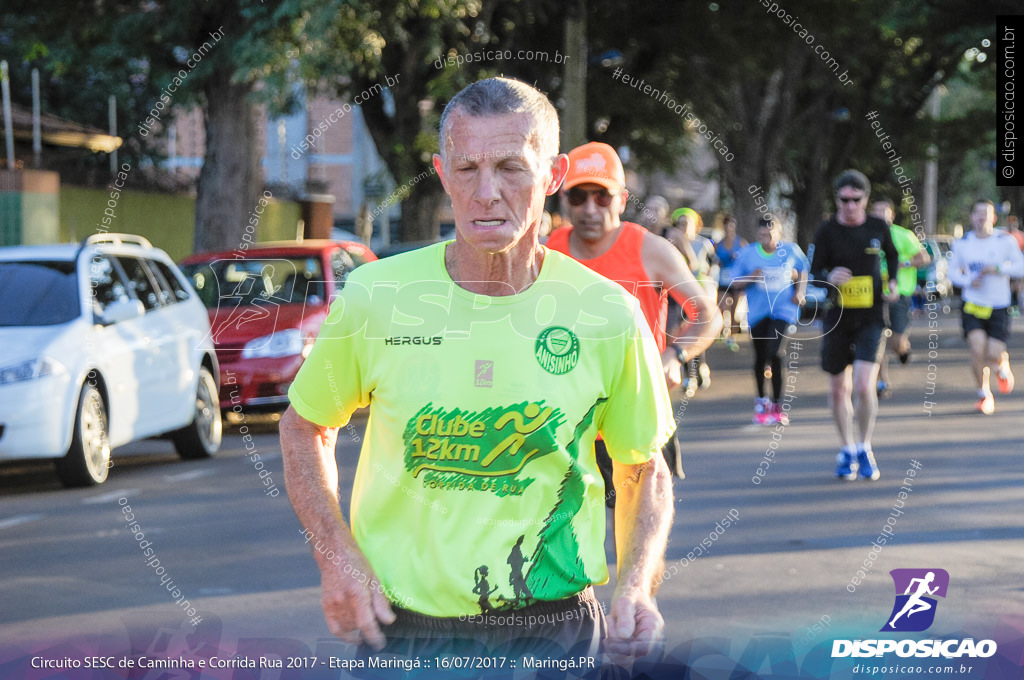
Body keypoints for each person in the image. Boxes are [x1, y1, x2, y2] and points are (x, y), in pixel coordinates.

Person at [279, 77, 677, 663]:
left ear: (553, 175)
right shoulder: (377, 296)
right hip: (404, 635)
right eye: (467, 169)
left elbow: (642, 468)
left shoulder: (606, 313)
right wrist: (335, 557)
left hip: (555, 629)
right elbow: (304, 426)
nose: (486, 192)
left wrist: (638, 586)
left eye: (511, 167)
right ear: (442, 174)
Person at [547, 141, 722, 487]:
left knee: (635, 536)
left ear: (623, 199)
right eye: (579, 196)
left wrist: (675, 355)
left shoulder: (651, 250)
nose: (590, 208)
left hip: (636, 418)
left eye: (602, 196)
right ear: (565, 200)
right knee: (564, 538)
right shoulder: (548, 250)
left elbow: (707, 313)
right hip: (565, 424)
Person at [810, 170, 898, 481]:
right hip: (837, 318)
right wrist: (828, 278)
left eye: (855, 200)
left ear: (865, 199)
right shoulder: (826, 231)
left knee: (863, 384)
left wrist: (895, 285)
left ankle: (865, 445)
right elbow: (814, 270)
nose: (849, 206)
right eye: (844, 200)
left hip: (872, 317)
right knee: (838, 388)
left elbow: (893, 256)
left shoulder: (877, 227)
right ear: (837, 200)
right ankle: (847, 449)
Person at [947, 199, 1024, 414]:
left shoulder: (1005, 242)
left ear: (993, 218)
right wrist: (967, 281)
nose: (981, 217)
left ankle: (1002, 363)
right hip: (973, 304)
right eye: (977, 213)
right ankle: (984, 394)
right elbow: (952, 272)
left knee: (993, 353)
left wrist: (999, 268)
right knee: (976, 349)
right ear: (971, 217)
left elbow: (1021, 267)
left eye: (986, 213)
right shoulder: (963, 244)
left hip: (999, 305)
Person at [731, 218, 808, 425]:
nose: (767, 238)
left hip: (783, 311)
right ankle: (761, 402)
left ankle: (777, 405)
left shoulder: (790, 251)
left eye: (771, 234)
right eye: (763, 235)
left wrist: (799, 292)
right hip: (757, 313)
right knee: (760, 357)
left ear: (779, 233)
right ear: (757, 235)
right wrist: (751, 277)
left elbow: (803, 270)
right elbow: (734, 282)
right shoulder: (748, 254)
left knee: (775, 353)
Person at [869, 199, 930, 398]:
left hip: (900, 293)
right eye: (875, 211)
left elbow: (924, 258)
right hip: (874, 294)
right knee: (878, 339)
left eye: (883, 211)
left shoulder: (903, 235)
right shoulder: (867, 234)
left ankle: (903, 351)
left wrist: (904, 262)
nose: (879, 214)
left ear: (891, 215)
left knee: (896, 341)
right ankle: (881, 381)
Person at [667, 207, 717, 395]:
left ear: (696, 225)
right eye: (680, 223)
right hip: (677, 294)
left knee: (696, 330)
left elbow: (709, 266)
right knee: (680, 332)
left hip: (700, 293)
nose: (684, 227)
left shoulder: (703, 244)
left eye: (688, 223)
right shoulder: (669, 244)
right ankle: (690, 374)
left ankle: (698, 368)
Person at [714, 214, 747, 351]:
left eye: (732, 226)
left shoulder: (741, 242)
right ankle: (722, 330)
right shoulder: (718, 244)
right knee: (722, 306)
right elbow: (714, 260)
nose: (729, 229)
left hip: (736, 282)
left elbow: (746, 262)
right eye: (727, 226)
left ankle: (732, 338)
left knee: (734, 311)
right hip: (722, 280)